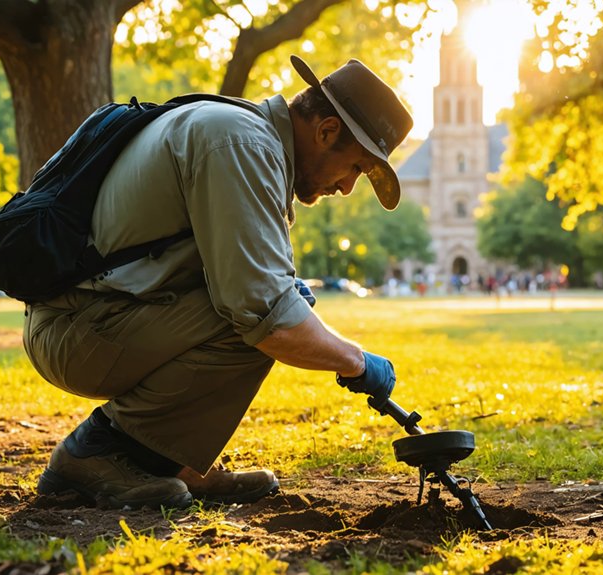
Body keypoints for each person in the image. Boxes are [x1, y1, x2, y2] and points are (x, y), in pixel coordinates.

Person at [23, 55, 415, 509]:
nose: (347, 189)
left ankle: (167, 460)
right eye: (356, 169)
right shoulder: (242, 145)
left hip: (95, 319)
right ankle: (97, 453)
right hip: (77, 330)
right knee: (263, 319)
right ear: (326, 131)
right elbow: (269, 315)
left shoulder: (245, 135)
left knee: (286, 303)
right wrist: (356, 360)